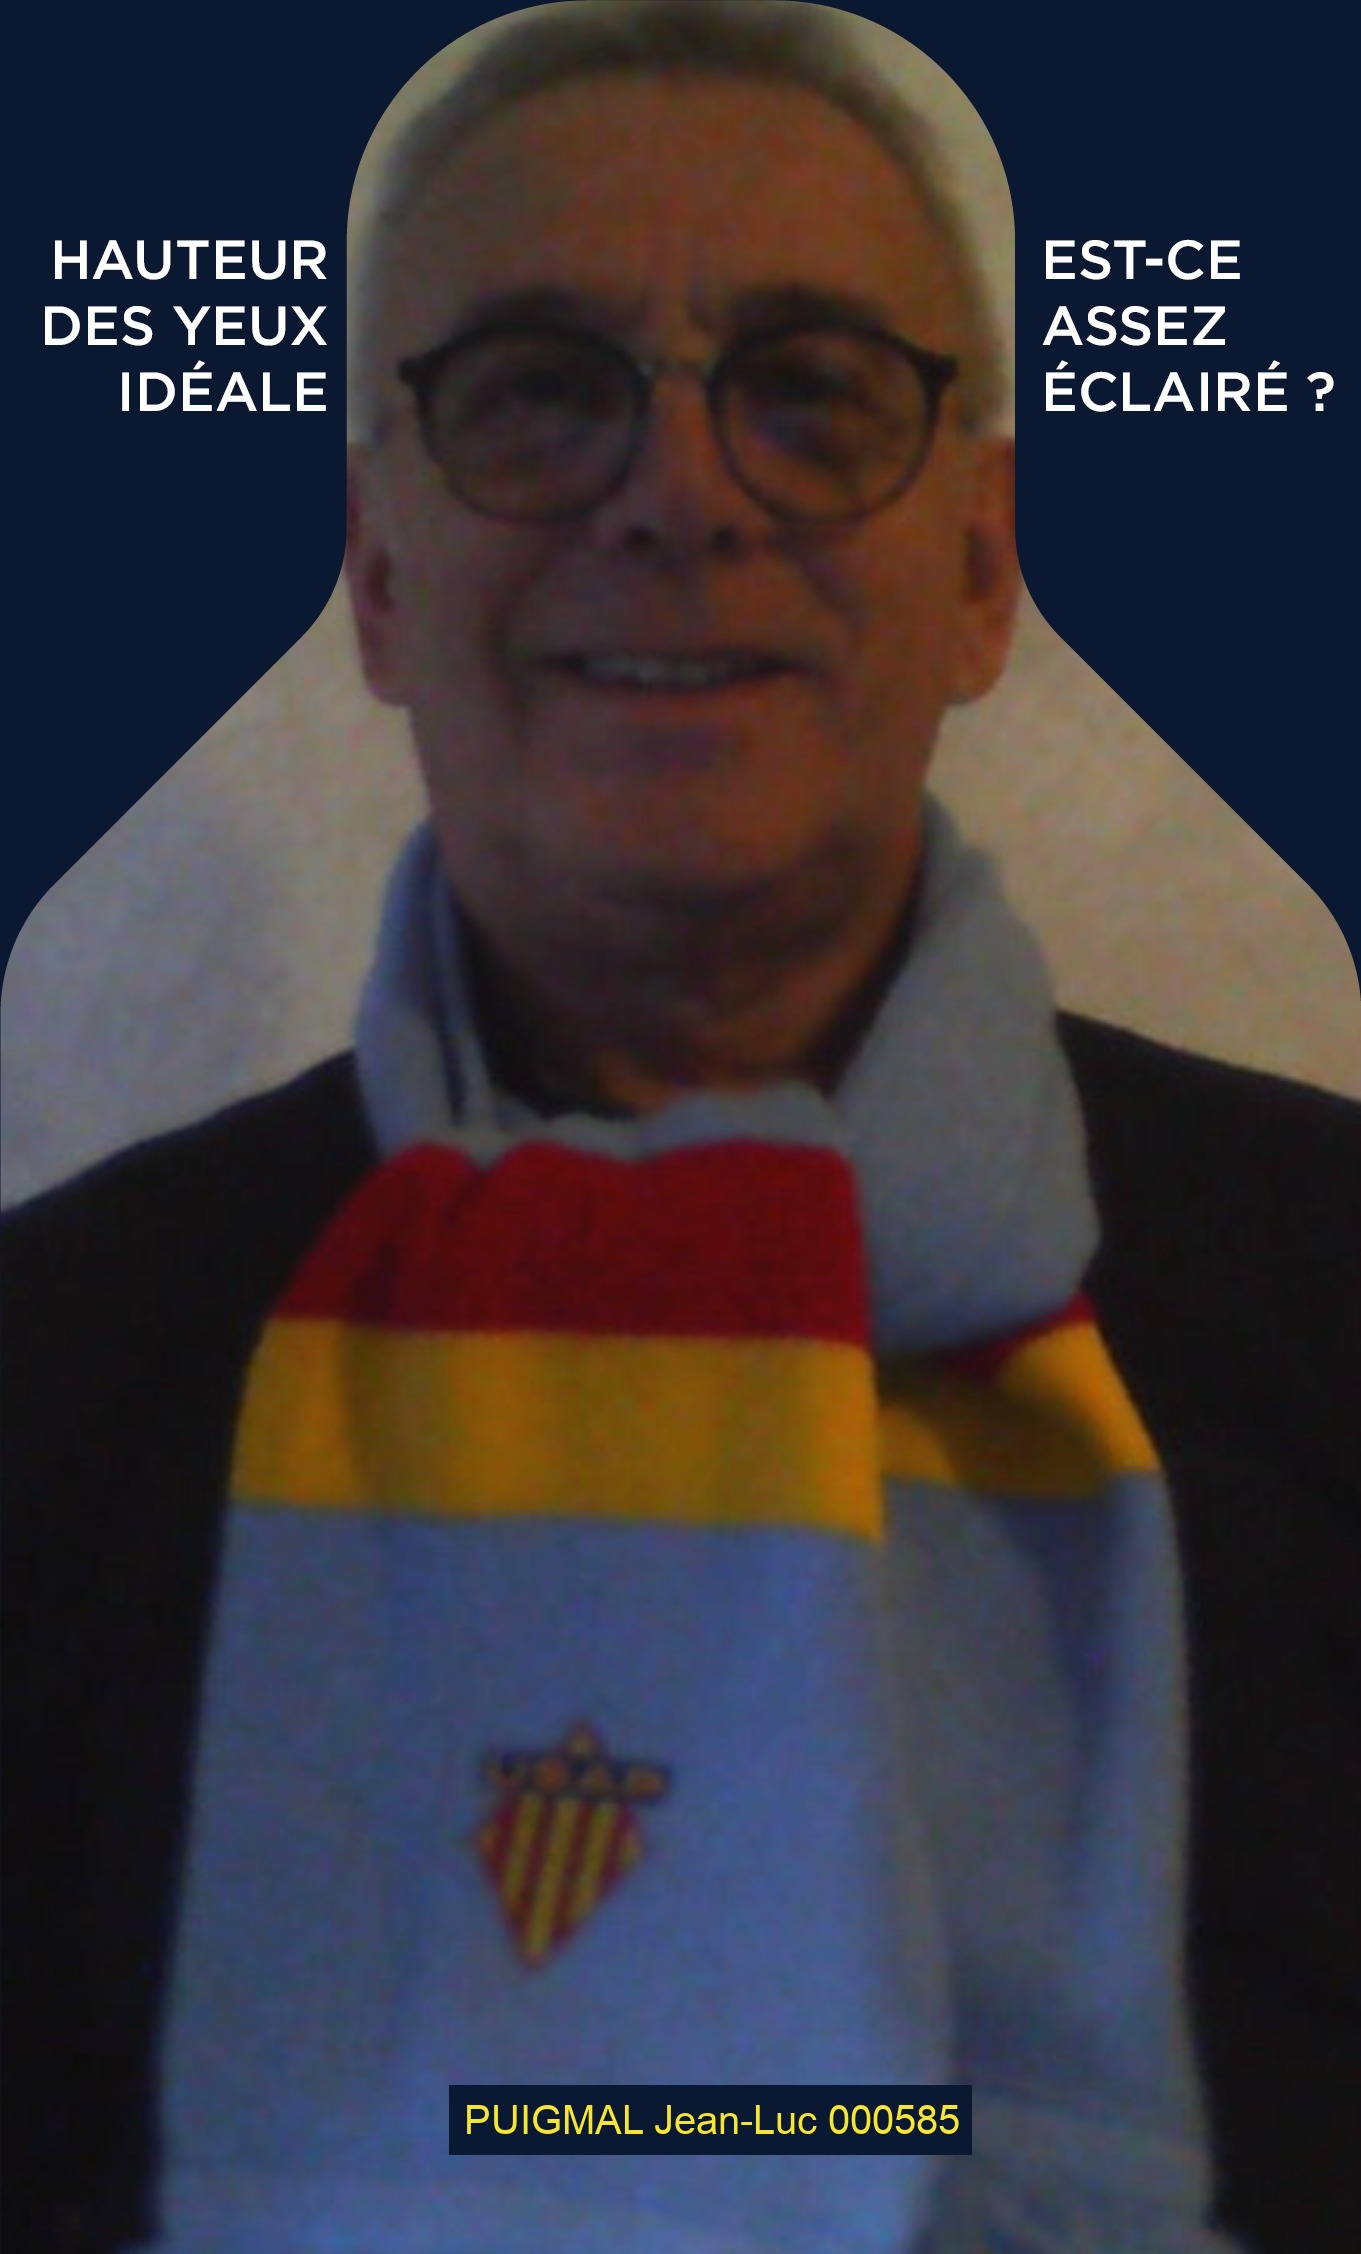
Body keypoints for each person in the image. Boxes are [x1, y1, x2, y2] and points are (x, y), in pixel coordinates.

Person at [4, 6, 1357, 2252]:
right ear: (377, 576)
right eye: (537, 390)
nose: (682, 493)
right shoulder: (49, 1388)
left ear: (983, 567)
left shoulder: (1334, 1303)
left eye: (815, 389)